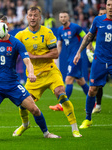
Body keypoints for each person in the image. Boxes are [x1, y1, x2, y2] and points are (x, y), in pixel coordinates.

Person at [13, 7, 82, 137]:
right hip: (34, 76)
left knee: (61, 94)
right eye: (30, 15)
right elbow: (12, 49)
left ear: (40, 18)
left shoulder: (47, 32)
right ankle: (25, 125)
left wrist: (34, 57)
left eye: (35, 15)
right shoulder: (21, 35)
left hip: (50, 72)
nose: (33, 18)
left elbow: (55, 54)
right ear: (26, 17)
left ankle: (74, 128)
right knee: (23, 104)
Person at [73, 0, 112, 129]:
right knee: (92, 90)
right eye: (108, 5)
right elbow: (89, 36)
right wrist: (78, 52)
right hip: (99, 60)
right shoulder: (98, 20)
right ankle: (88, 119)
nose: (110, 7)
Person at [49, 11, 89, 111]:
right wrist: (55, 57)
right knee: (81, 81)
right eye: (61, 17)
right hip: (69, 57)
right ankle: (93, 102)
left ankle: (62, 105)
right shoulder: (60, 30)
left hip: (76, 58)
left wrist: (88, 49)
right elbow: (59, 44)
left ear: (68, 17)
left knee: (68, 79)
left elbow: (86, 37)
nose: (63, 18)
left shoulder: (76, 27)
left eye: (65, 17)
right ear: (59, 18)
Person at [86, 7, 107, 113]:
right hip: (99, 57)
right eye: (100, 13)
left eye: (104, 13)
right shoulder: (97, 23)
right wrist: (88, 50)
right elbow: (89, 37)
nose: (102, 15)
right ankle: (97, 105)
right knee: (97, 83)